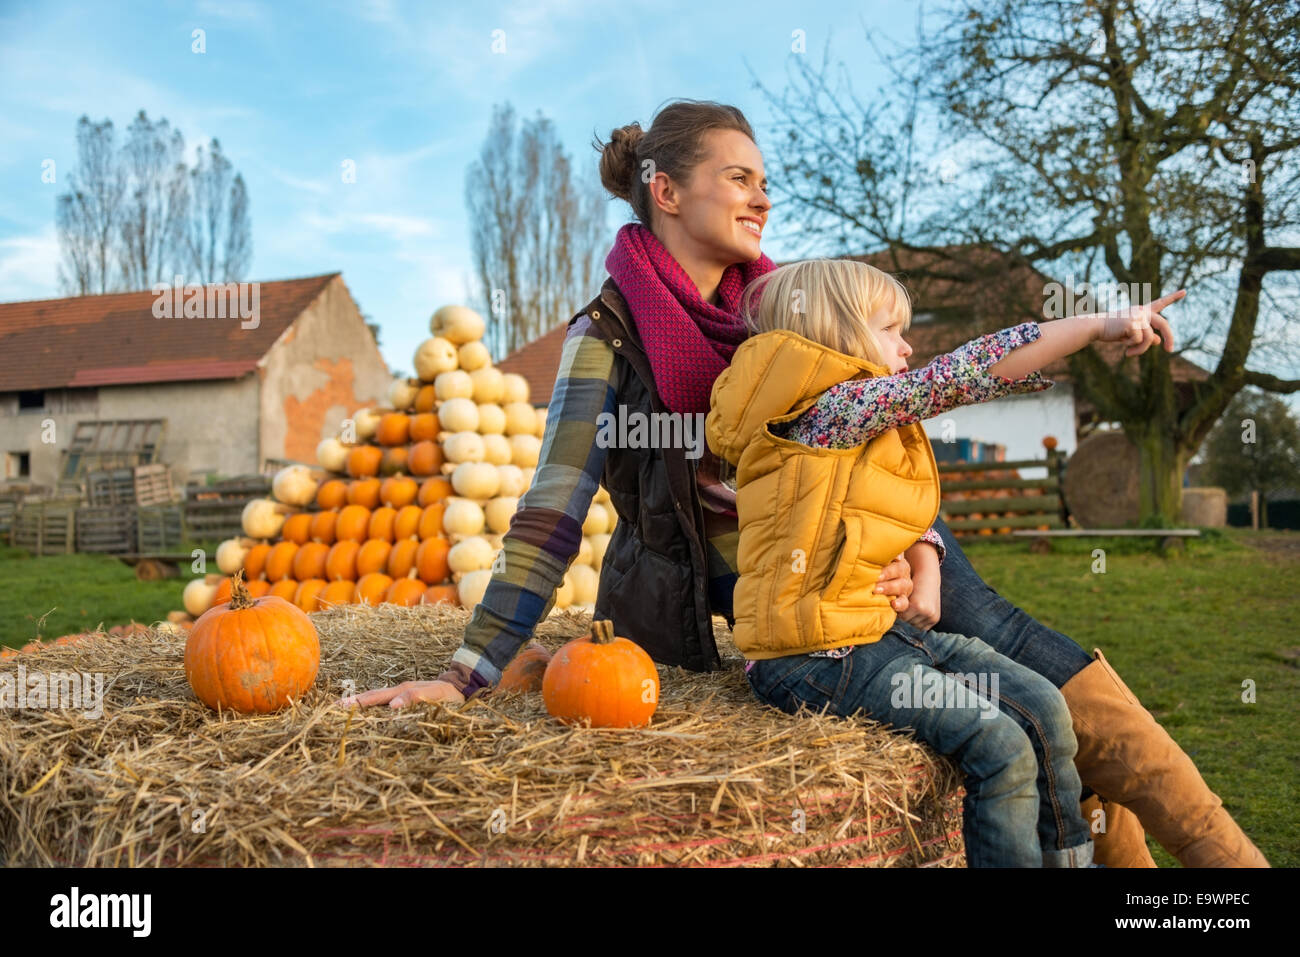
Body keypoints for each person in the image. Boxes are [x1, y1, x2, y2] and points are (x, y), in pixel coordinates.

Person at [343, 98, 1269, 868]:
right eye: (738, 177)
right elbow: (555, 506)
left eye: (765, 179)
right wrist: (469, 675)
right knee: (1024, 720)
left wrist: (924, 554)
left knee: (1059, 696)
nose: (762, 197)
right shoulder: (610, 338)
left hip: (893, 561)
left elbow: (890, 424)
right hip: (801, 609)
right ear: (664, 191)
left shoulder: (791, 309)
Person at [709, 256, 1184, 866]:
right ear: (837, 334)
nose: (907, 345)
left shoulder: (853, 422)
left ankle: (1069, 856)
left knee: (1044, 706)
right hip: (808, 659)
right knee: (1002, 745)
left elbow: (882, 514)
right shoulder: (827, 413)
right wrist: (1093, 326)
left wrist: (925, 559)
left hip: (871, 637)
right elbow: (966, 374)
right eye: (890, 330)